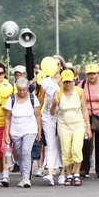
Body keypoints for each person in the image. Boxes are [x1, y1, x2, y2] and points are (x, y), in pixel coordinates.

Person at [51, 69, 91, 186]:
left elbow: (84, 110)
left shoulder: (79, 91)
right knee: (66, 151)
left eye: (70, 81)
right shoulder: (58, 92)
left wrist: (88, 126)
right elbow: (52, 112)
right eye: (66, 82)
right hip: (64, 125)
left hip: (78, 124)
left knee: (76, 149)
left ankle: (77, 174)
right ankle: (68, 175)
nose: (68, 84)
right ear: (62, 82)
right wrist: (54, 103)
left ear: (74, 81)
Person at [4, 78, 41, 188]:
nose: (22, 92)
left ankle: (26, 179)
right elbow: (7, 118)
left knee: (26, 151)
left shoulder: (32, 98)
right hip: (16, 130)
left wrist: (39, 132)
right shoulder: (11, 100)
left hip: (30, 129)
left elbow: (38, 116)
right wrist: (6, 134)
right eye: (20, 90)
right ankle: (23, 176)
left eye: (24, 90)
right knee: (19, 154)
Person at [38, 56, 65, 186]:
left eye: (57, 64)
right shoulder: (45, 83)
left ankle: (62, 173)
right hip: (48, 117)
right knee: (50, 144)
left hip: (64, 117)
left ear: (61, 66)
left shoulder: (67, 81)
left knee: (62, 145)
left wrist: (62, 85)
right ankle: (49, 173)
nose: (55, 66)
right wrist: (37, 116)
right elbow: (40, 100)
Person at [79, 63, 99, 178]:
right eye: (89, 74)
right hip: (86, 116)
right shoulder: (82, 84)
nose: (91, 77)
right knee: (85, 142)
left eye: (94, 74)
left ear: (98, 74)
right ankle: (84, 168)